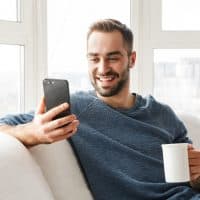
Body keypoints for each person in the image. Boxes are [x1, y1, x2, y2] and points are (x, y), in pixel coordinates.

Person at [0, 18, 200, 199]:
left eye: (113, 58)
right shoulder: (74, 107)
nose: (103, 69)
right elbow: (2, 125)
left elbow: (193, 179)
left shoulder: (163, 114)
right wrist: (33, 133)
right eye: (94, 59)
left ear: (131, 59)